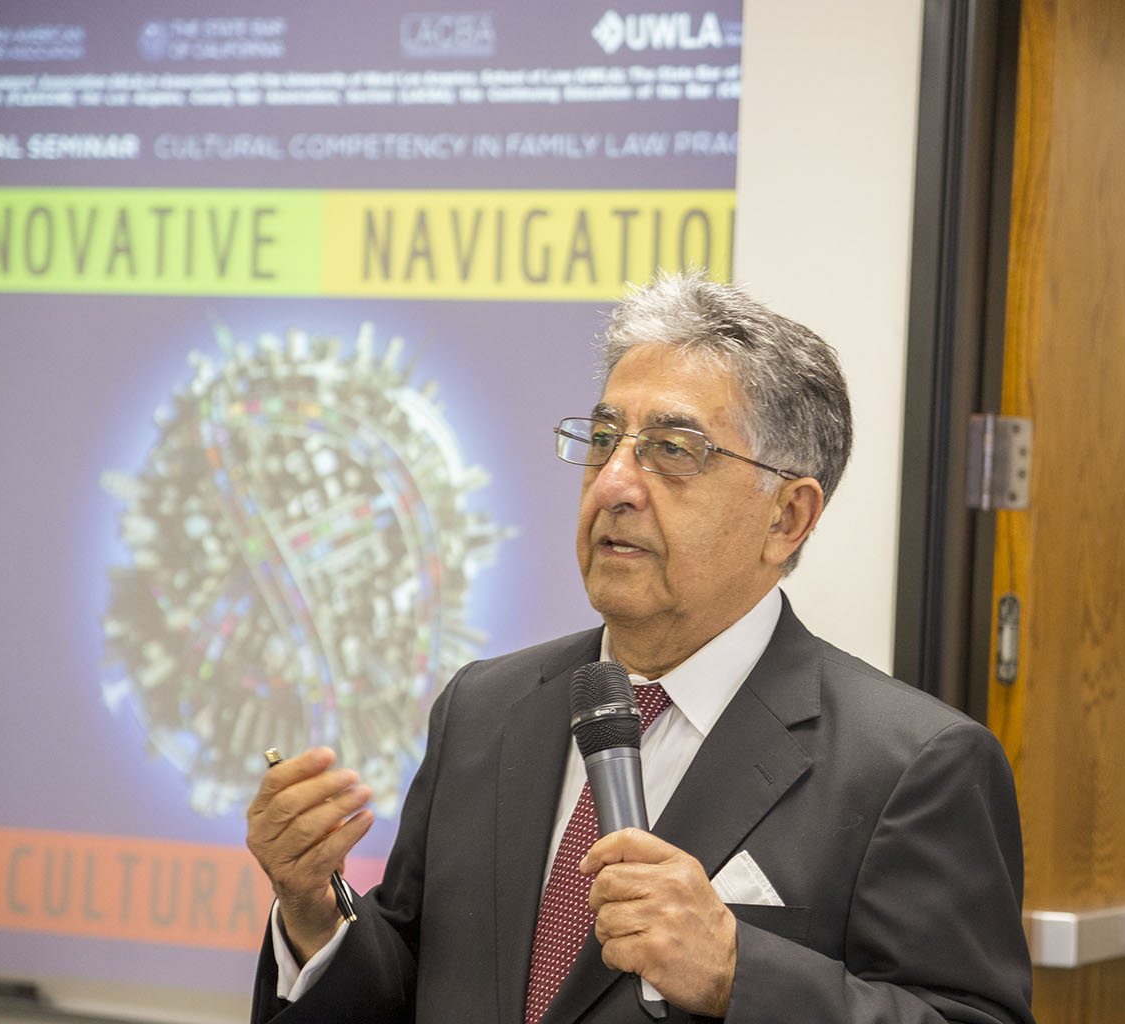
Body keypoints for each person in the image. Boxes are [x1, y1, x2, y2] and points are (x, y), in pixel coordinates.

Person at [246, 271, 1036, 1024]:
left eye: (673, 449)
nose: (613, 484)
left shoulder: (913, 767)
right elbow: (413, 984)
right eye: (603, 439)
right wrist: (314, 913)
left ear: (787, 518)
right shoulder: (483, 709)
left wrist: (738, 974)